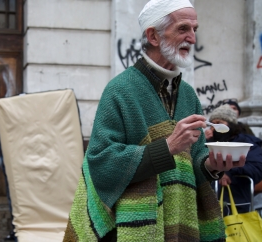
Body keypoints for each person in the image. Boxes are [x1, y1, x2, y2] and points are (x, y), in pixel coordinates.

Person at [63, 0, 246, 241]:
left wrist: (213, 165)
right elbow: (101, 163)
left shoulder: (189, 95)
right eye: (183, 29)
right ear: (153, 36)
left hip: (181, 222)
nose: (192, 38)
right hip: (132, 230)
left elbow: (196, 160)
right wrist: (168, 147)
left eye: (195, 30)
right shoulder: (120, 90)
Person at [207, 104, 262, 214]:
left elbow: (257, 167)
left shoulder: (247, 143)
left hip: (237, 202)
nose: (215, 127)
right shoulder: (208, 141)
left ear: (230, 125)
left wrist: (229, 171)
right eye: (213, 123)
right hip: (209, 203)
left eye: (219, 123)